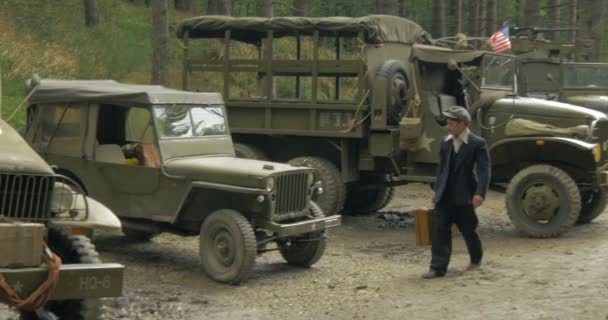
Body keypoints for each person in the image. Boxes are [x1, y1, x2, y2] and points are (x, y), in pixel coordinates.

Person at [423, 106, 491, 279]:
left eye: (452, 123)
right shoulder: (445, 142)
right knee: (440, 230)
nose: (448, 126)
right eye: (448, 123)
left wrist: (480, 193)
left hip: (465, 195)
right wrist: (437, 190)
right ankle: (437, 267)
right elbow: (441, 169)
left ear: (463, 124)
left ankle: (476, 258)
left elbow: (484, 170)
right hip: (445, 194)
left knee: (469, 229)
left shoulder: (477, 143)